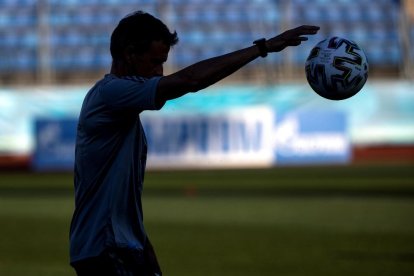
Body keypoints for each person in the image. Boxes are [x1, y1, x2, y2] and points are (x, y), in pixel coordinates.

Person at [69, 10, 320, 276]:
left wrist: (145, 248)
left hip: (122, 246)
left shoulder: (122, 109)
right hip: (104, 248)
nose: (160, 71)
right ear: (130, 54)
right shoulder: (110, 94)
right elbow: (190, 80)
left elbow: (120, 200)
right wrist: (262, 48)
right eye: (155, 62)